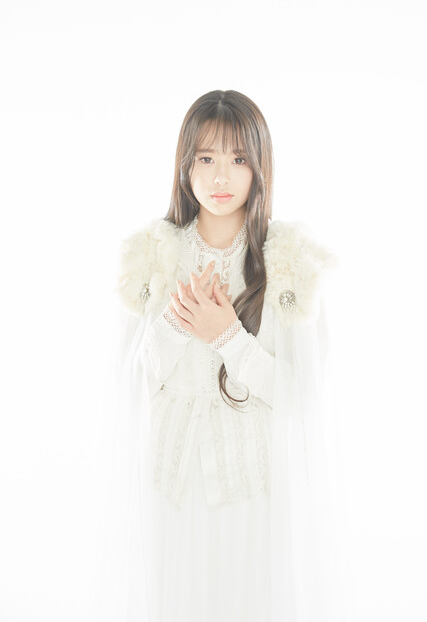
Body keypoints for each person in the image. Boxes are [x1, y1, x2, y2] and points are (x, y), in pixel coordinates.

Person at [96, 89, 348, 622]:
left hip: (250, 487)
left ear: (260, 167)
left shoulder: (287, 263)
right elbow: (129, 383)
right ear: (185, 165)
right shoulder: (152, 255)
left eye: (238, 159)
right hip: (170, 485)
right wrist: (178, 321)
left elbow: (300, 395)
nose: (220, 177)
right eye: (206, 158)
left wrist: (228, 336)